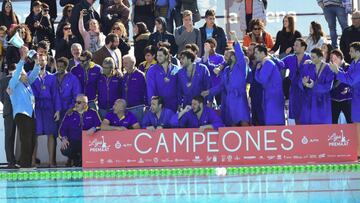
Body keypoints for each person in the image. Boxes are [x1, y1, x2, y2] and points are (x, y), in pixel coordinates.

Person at [202, 31, 250, 126]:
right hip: (229, 100)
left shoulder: (241, 66)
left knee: (243, 122)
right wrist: (209, 92)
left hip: (239, 99)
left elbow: (240, 54)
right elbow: (221, 86)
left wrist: (235, 39)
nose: (225, 58)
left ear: (233, 57)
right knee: (232, 123)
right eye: (224, 56)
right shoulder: (226, 70)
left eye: (227, 56)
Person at [8, 47, 40, 168]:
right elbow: (16, 75)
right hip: (21, 114)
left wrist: (37, 62)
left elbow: (35, 74)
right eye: (22, 72)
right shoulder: (13, 82)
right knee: (26, 140)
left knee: (31, 140)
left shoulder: (26, 83)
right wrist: (22, 60)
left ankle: (26, 164)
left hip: (30, 114)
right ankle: (25, 165)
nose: (25, 73)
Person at [329, 42, 360, 159]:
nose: (349, 53)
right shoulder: (353, 63)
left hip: (357, 98)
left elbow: (351, 80)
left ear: (358, 52)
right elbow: (347, 75)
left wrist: (337, 71)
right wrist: (338, 71)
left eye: (351, 51)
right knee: (356, 125)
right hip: (355, 98)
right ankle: (357, 153)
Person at [31, 54, 61, 167]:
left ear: (46, 62)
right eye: (39, 61)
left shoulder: (52, 77)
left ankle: (51, 162)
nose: (41, 62)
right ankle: (32, 161)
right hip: (36, 108)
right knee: (34, 135)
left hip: (49, 108)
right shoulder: (30, 76)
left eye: (43, 60)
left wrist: (57, 110)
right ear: (35, 62)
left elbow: (56, 94)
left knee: (51, 134)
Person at [59, 94, 101, 167]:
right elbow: (62, 129)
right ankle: (76, 158)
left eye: (78, 102)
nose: (76, 104)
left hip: (89, 142)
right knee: (64, 149)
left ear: (85, 104)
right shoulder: (70, 113)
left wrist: (94, 128)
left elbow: (100, 125)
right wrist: (64, 138)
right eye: (75, 102)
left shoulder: (93, 112)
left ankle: (82, 160)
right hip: (74, 141)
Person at [299, 48, 334, 124]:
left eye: (313, 57)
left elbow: (328, 86)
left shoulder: (329, 69)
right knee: (308, 127)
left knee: (322, 127)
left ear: (321, 58)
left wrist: (314, 86)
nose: (311, 59)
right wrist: (303, 83)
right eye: (311, 56)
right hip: (309, 101)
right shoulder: (308, 66)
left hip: (323, 102)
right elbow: (300, 80)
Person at [281, 38, 311, 123]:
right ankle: (299, 134)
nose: (294, 47)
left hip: (307, 89)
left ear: (303, 47)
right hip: (294, 90)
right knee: (296, 115)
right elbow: (279, 64)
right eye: (294, 45)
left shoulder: (310, 58)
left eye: (297, 45)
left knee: (307, 115)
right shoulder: (290, 58)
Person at [254, 44, 285, 125]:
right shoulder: (267, 62)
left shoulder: (267, 62)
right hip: (271, 95)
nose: (255, 55)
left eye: (256, 53)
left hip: (273, 96)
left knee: (273, 123)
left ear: (262, 53)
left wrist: (257, 70)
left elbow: (262, 79)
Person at [146, 47, 180, 112]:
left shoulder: (176, 69)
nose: (158, 57)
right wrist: (152, 104)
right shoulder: (152, 70)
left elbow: (179, 88)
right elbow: (150, 88)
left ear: (167, 56)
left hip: (173, 105)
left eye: (160, 55)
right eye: (157, 55)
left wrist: (180, 103)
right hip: (159, 106)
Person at [0, 63, 17, 168]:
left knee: (9, 137)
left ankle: (11, 161)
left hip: (9, 111)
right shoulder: (18, 79)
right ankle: (16, 160)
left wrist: (6, 104)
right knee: (21, 137)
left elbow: (1, 97)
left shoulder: (3, 80)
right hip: (17, 111)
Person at [329, 49, 352, 124]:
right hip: (334, 99)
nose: (333, 61)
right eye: (332, 59)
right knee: (333, 122)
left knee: (350, 121)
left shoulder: (349, 67)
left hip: (347, 99)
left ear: (341, 58)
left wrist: (348, 89)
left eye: (335, 59)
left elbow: (352, 81)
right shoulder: (329, 68)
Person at [122, 54, 147, 122]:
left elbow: (146, 91)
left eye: (126, 63)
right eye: (123, 63)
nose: (124, 65)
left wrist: (146, 106)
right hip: (126, 109)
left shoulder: (140, 75)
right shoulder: (124, 76)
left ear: (132, 63)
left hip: (137, 108)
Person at [200, 38, 225, 106]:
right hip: (208, 88)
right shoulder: (204, 57)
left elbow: (220, 68)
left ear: (215, 46)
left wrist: (213, 68)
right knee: (208, 108)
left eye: (212, 46)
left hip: (218, 87)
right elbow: (204, 65)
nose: (210, 48)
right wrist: (206, 53)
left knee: (221, 107)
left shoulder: (221, 57)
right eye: (208, 47)